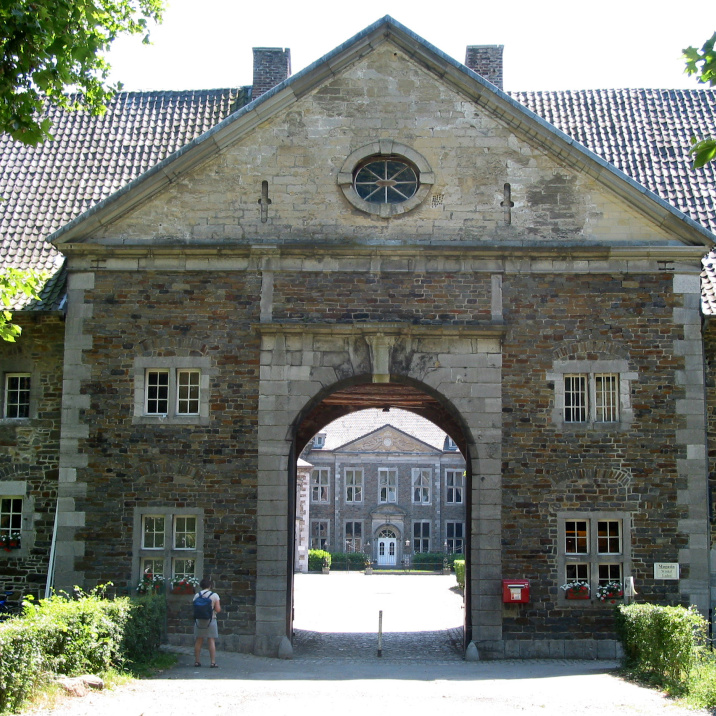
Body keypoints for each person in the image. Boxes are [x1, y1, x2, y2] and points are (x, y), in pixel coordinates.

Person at [193, 578, 221, 668]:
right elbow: (218, 609)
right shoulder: (214, 595)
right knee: (211, 640)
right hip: (210, 620)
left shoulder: (197, 595)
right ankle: (213, 662)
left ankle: (197, 661)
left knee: (199, 640)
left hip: (199, 620)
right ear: (210, 585)